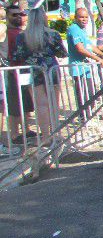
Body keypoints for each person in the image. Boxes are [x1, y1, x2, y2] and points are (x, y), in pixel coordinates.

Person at [12, 8, 67, 146]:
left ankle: (46, 135)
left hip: (33, 70)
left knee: (40, 105)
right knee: (53, 103)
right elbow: (62, 53)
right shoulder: (53, 34)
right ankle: (56, 133)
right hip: (51, 68)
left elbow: (17, 55)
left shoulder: (22, 36)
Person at [67, 7, 103, 121]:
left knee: (91, 94)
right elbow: (80, 49)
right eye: (81, 17)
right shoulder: (74, 29)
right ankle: (84, 118)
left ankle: (88, 116)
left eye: (86, 17)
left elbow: (90, 46)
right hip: (78, 68)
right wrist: (98, 59)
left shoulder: (82, 30)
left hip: (86, 68)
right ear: (75, 17)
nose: (84, 19)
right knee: (83, 95)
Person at [4, 4, 36, 142]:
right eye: (14, 14)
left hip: (24, 71)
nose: (18, 17)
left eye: (20, 14)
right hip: (11, 72)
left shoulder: (20, 32)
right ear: (7, 16)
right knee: (13, 105)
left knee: (26, 103)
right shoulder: (4, 31)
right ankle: (14, 134)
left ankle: (27, 129)